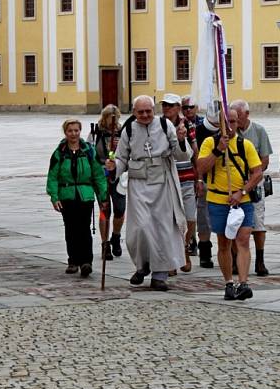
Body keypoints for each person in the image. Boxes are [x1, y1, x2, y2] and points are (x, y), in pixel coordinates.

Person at [107, 95, 189, 291]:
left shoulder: (165, 125)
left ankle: (160, 275)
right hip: (138, 184)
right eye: (140, 112)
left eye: (148, 111)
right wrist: (112, 168)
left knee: (162, 229)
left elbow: (181, 154)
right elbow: (121, 158)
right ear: (134, 112)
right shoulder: (129, 129)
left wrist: (181, 139)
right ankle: (142, 266)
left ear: (153, 110)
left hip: (162, 183)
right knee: (141, 228)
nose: (145, 115)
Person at [197, 108, 263, 300]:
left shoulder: (245, 144)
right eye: (227, 122)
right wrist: (218, 150)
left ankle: (243, 283)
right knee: (224, 243)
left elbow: (257, 173)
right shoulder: (209, 143)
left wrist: (242, 191)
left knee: (243, 240)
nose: (231, 126)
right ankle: (228, 282)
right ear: (220, 124)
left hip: (242, 201)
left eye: (234, 122)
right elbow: (201, 168)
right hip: (218, 200)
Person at [47, 119, 109, 277]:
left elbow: (98, 175)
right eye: (70, 131)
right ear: (65, 132)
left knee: (84, 228)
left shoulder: (89, 151)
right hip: (66, 195)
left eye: (76, 130)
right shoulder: (59, 152)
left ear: (80, 131)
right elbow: (53, 176)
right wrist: (54, 197)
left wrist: (103, 196)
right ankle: (73, 260)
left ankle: (86, 262)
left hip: (85, 195)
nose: (73, 134)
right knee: (71, 228)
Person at [231, 99, 273, 276]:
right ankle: (234, 260)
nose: (235, 120)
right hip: (234, 185)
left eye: (238, 116)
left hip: (254, 184)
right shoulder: (229, 132)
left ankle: (260, 259)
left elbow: (265, 160)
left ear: (247, 114)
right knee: (233, 222)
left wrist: (253, 174)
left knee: (258, 222)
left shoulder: (258, 131)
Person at [161, 93, 199, 273]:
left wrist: (198, 177)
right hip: (168, 179)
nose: (166, 108)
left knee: (191, 218)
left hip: (186, 177)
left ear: (177, 107)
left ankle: (184, 246)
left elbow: (195, 151)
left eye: (170, 105)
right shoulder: (158, 125)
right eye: (164, 105)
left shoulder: (187, 125)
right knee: (169, 221)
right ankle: (172, 258)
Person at [88, 105, 125, 260]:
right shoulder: (96, 133)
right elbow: (89, 152)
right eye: (110, 117)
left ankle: (116, 236)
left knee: (120, 209)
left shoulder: (122, 132)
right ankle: (105, 243)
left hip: (118, 176)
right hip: (101, 176)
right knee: (105, 209)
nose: (112, 121)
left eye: (115, 117)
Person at [183, 95, 214, 269]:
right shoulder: (179, 125)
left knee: (200, 213)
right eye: (185, 108)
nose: (188, 110)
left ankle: (200, 246)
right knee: (191, 213)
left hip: (200, 173)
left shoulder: (203, 126)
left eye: (190, 107)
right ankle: (191, 242)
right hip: (186, 174)